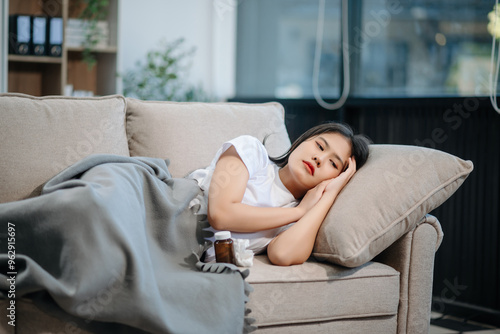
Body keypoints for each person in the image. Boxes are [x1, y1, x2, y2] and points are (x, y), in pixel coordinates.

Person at [188, 122, 371, 266]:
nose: (319, 159)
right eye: (320, 146)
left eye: (333, 164)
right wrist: (299, 212)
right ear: (303, 140)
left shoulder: (296, 222)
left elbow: (282, 254)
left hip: (183, 256)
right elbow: (221, 215)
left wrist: (329, 195)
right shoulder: (251, 152)